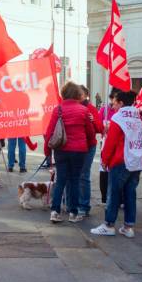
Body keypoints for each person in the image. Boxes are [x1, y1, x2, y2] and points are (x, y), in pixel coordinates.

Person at [91, 90, 142, 238]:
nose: (112, 105)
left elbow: (110, 143)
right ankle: (128, 226)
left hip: (120, 160)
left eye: (114, 102)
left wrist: (104, 160)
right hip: (136, 160)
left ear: (121, 103)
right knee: (130, 194)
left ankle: (109, 224)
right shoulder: (138, 116)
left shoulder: (118, 118)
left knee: (113, 194)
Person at [44, 82, 96, 223]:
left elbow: (49, 132)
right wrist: (91, 145)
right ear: (77, 94)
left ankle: (55, 211)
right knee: (75, 180)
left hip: (61, 149)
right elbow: (90, 133)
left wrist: (47, 151)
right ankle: (73, 212)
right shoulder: (83, 110)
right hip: (79, 150)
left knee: (60, 180)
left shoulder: (58, 109)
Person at [74, 85, 104, 217]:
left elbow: (100, 128)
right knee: (73, 175)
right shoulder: (72, 106)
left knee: (83, 175)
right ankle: (72, 202)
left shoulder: (91, 108)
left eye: (80, 94)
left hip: (88, 146)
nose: (78, 96)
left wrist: (92, 121)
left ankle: (84, 205)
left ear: (86, 95)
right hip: (74, 145)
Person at [98, 88, 121, 204]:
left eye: (116, 100)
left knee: (117, 172)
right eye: (112, 99)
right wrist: (103, 129)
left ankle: (118, 198)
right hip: (105, 143)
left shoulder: (123, 112)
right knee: (104, 170)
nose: (114, 102)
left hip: (120, 147)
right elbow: (97, 126)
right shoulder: (104, 110)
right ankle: (104, 197)